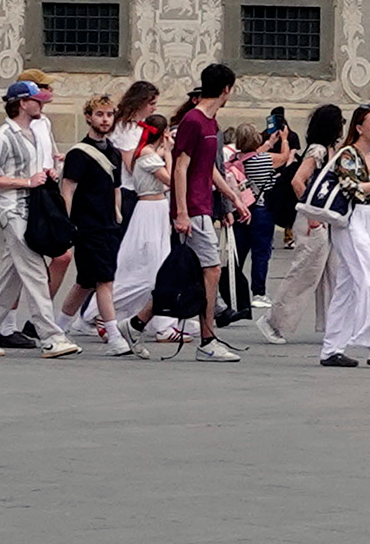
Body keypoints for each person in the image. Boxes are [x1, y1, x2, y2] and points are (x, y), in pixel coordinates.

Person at [0, 80, 82, 357]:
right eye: (37, 100)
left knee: (12, 276)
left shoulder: (31, 133)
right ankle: (51, 337)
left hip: (29, 210)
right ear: (22, 103)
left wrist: (46, 174)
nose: (41, 105)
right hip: (13, 210)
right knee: (34, 271)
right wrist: (26, 182)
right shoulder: (3, 137)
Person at [308, 105, 370, 368]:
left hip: (367, 220)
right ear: (359, 127)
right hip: (350, 222)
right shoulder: (348, 155)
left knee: (347, 287)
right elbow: (352, 188)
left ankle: (331, 349)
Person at [171, 63, 241, 362]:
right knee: (210, 271)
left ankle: (135, 323)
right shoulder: (193, 120)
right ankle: (208, 339)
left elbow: (209, 168)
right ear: (226, 90)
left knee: (190, 272)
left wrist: (232, 197)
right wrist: (182, 212)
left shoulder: (211, 123)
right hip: (193, 207)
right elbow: (180, 166)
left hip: (204, 204)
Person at [264, 105, 344, 350]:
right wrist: (311, 212)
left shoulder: (331, 150)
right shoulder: (318, 151)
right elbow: (299, 180)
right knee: (304, 273)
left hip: (323, 219)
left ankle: (334, 323)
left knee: (332, 273)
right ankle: (274, 321)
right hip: (312, 221)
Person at [59, 98, 133, 355]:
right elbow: (67, 189)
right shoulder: (79, 153)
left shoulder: (112, 151)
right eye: (99, 114)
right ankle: (114, 336)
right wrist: (66, 224)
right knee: (105, 280)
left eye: (109, 115)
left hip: (108, 225)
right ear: (88, 117)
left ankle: (59, 328)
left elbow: (116, 188)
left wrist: (117, 215)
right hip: (87, 226)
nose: (105, 119)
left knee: (86, 282)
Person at [113, 109, 178, 343]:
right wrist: (169, 153)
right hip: (150, 209)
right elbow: (171, 179)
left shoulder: (148, 152)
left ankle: (161, 321)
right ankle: (107, 308)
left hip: (156, 209)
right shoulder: (148, 156)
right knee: (151, 263)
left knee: (158, 261)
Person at [229, 107, 293, 322]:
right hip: (261, 209)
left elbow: (256, 152)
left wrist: (269, 142)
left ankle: (232, 289)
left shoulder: (238, 159)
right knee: (261, 252)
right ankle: (258, 292)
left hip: (242, 209)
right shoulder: (263, 160)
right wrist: (284, 139)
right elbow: (283, 158)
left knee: (239, 252)